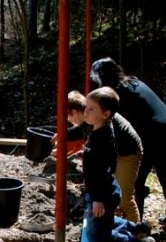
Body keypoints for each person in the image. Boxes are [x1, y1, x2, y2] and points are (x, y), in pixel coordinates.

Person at [90, 57, 166, 232]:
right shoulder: (133, 82)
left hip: (157, 135)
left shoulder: (117, 94)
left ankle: (137, 224)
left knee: (138, 179)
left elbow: (118, 130)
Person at [82, 87, 156, 242]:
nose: (85, 112)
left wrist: (98, 197)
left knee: (98, 236)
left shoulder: (103, 138)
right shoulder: (100, 130)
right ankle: (138, 227)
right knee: (103, 221)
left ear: (106, 114)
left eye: (91, 109)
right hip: (104, 190)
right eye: (86, 107)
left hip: (101, 193)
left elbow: (102, 170)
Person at [53, 90, 143, 222]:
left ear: (76, 112)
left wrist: (98, 198)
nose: (70, 121)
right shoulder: (94, 116)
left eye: (69, 117)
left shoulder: (101, 125)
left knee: (125, 199)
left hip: (128, 153)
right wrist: (63, 135)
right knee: (113, 194)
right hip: (114, 154)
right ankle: (120, 225)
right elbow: (81, 131)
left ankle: (137, 234)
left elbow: (102, 166)